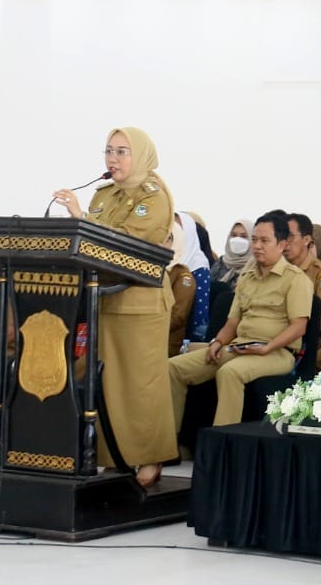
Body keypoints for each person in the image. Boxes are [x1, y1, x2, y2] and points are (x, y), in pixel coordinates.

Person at [53, 127, 176, 487]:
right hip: (106, 297)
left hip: (142, 302)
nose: (113, 159)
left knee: (142, 386)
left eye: (122, 151)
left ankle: (150, 457)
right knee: (108, 386)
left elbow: (126, 243)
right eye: (109, 150)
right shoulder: (103, 194)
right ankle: (116, 457)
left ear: (140, 155)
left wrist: (81, 218)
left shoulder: (154, 196)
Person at [169, 212, 310, 430]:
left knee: (230, 372)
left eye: (264, 241)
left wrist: (267, 347)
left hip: (277, 352)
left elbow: (298, 327)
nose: (257, 246)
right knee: (174, 367)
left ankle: (222, 443)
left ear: (282, 244)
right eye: (254, 240)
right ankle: (169, 440)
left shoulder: (296, 279)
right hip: (240, 346)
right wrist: (217, 342)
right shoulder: (247, 277)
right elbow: (232, 323)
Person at [286, 213, 321, 339]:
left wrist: (288, 335)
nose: (285, 242)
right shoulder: (280, 269)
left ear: (306, 240)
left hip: (306, 339)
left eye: (289, 236)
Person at [174, 211, 212, 344]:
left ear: (189, 232)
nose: (174, 232)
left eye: (179, 228)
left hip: (183, 339)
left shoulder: (199, 267)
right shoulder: (162, 260)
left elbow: (199, 319)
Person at [165, 225, 197, 357]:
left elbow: (178, 317)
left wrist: (146, 327)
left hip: (166, 342)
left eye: (167, 239)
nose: (161, 242)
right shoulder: (148, 269)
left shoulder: (182, 276)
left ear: (176, 242)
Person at [210, 218, 252, 288]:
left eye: (244, 236)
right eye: (234, 235)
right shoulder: (220, 263)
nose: (238, 240)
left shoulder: (255, 267)